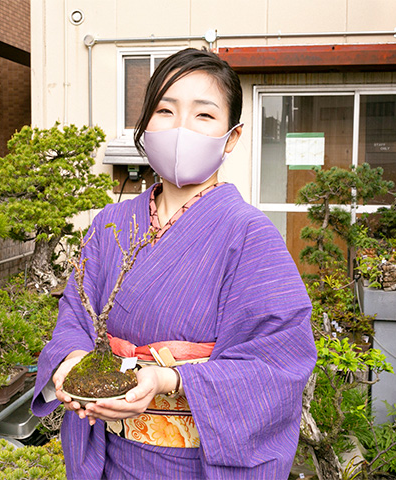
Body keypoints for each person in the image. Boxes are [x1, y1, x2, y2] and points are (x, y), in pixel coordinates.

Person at [32, 48, 316, 479]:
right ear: (145, 127)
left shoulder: (250, 235)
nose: (181, 128)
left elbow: (278, 363)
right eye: (165, 111)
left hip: (189, 466)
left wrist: (168, 380)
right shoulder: (110, 224)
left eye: (204, 116)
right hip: (108, 456)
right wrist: (71, 359)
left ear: (232, 137)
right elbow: (76, 312)